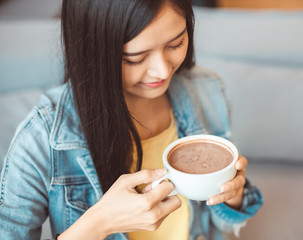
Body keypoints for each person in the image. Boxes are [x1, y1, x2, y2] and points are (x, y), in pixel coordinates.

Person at [0, 0, 263, 239]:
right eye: (135, 58)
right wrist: (98, 224)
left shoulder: (207, 92)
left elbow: (223, 227)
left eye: (176, 43)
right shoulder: (41, 137)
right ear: (92, 52)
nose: (162, 70)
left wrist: (233, 196)